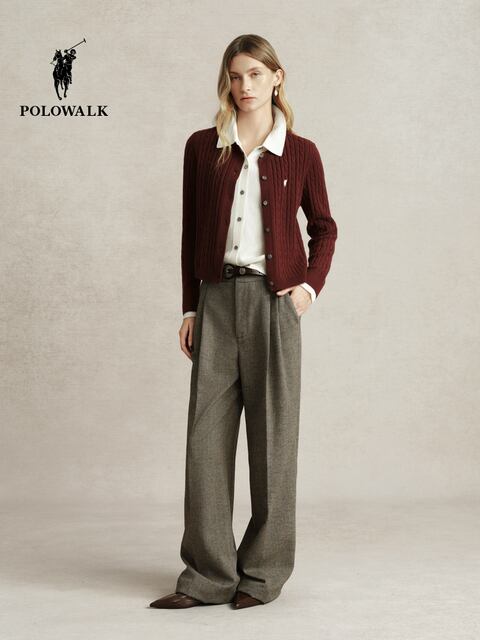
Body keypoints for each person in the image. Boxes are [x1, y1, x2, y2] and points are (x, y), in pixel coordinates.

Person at [149, 33, 338, 611]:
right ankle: (208, 576)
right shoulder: (203, 147)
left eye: (255, 74)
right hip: (215, 301)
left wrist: (307, 288)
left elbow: (324, 228)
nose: (245, 86)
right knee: (205, 443)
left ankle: (261, 575)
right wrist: (190, 307)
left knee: (273, 441)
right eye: (235, 76)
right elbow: (191, 234)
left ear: (277, 77)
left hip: (274, 305)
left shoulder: (300, 152)